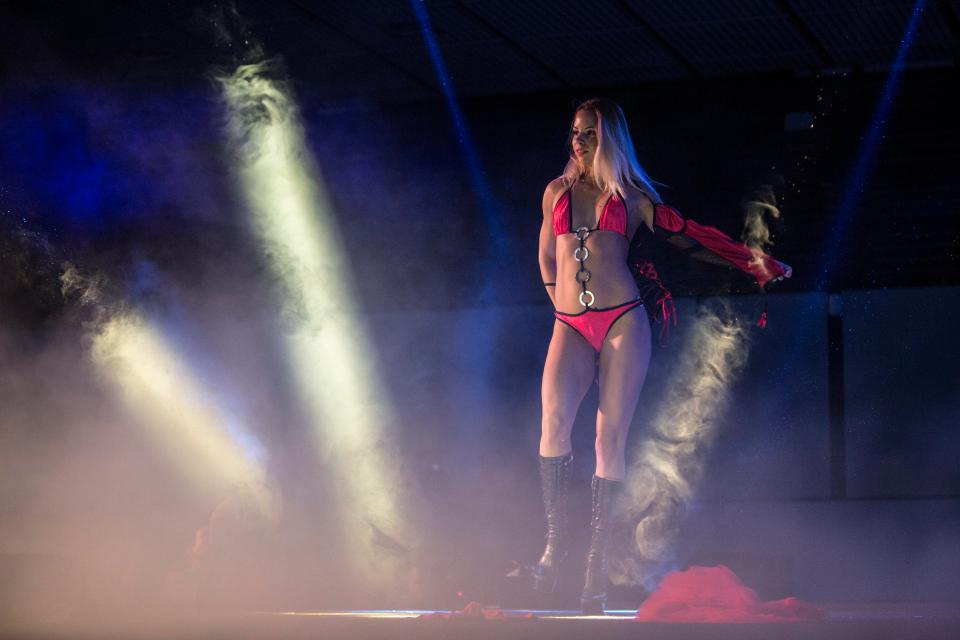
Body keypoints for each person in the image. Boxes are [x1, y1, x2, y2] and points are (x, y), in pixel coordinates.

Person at [535, 98, 791, 614]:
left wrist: (753, 261)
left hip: (622, 322)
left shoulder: (631, 197)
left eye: (590, 134)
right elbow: (545, 253)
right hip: (570, 324)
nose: (579, 142)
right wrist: (560, 301)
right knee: (553, 423)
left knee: (608, 439)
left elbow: (691, 237)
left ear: (610, 140)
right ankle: (557, 543)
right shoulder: (555, 193)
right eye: (575, 133)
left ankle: (594, 571)